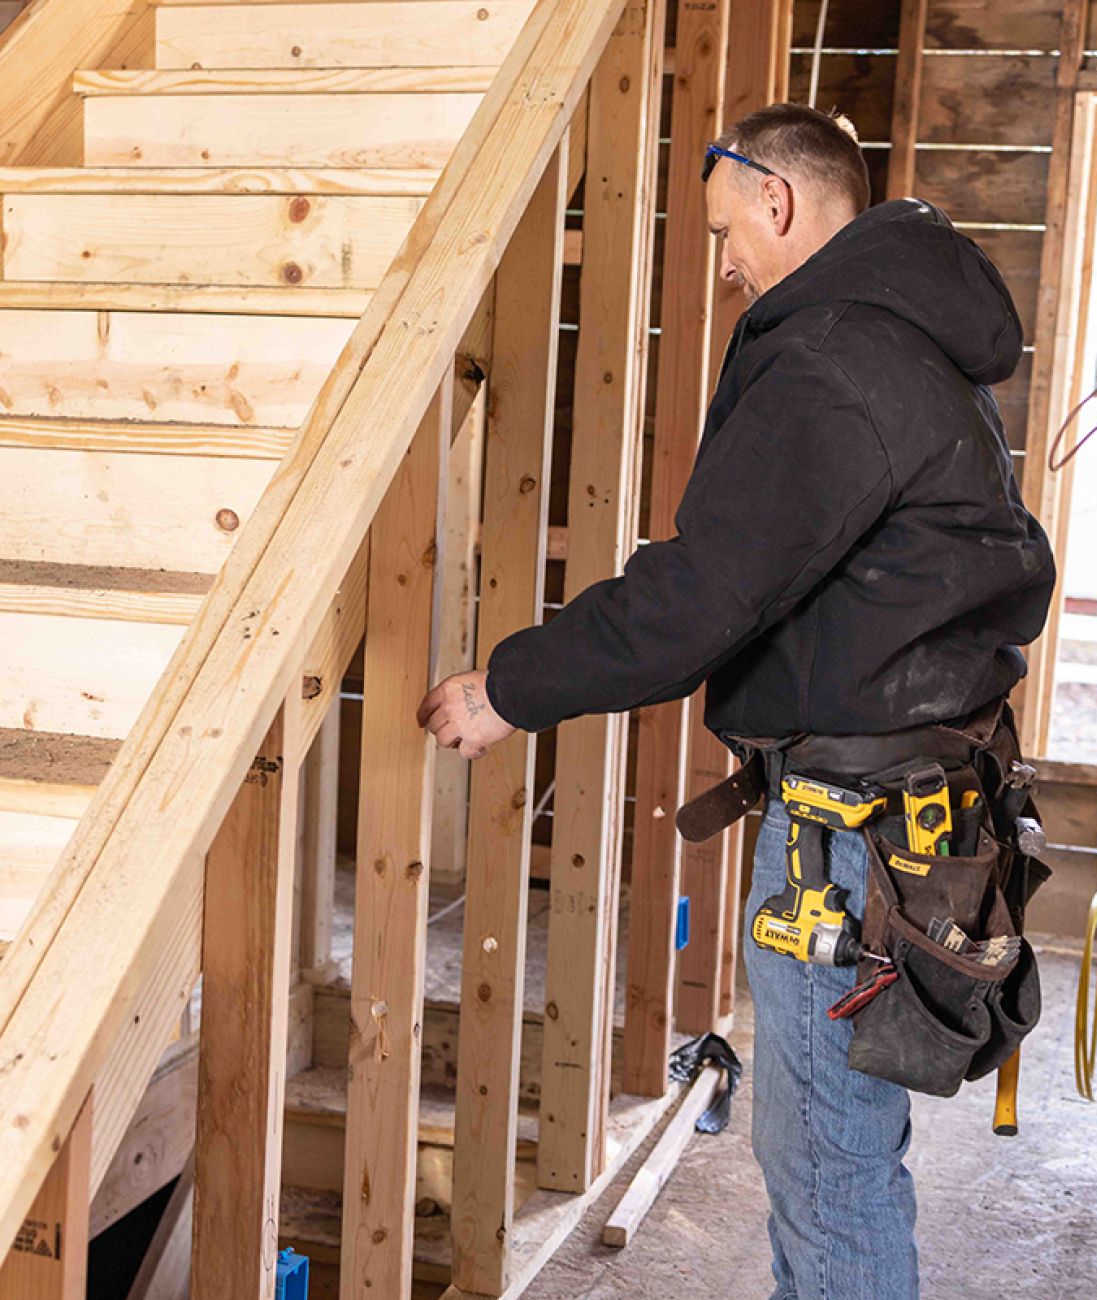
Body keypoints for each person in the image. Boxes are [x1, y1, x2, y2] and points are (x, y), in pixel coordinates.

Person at [418, 103, 1055, 1299]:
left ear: (779, 200)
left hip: (851, 836)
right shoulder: (915, 342)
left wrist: (510, 686)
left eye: (726, 233)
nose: (722, 266)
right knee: (836, 1151)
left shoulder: (830, 362)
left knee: (829, 1169)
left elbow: (696, 597)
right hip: (911, 812)